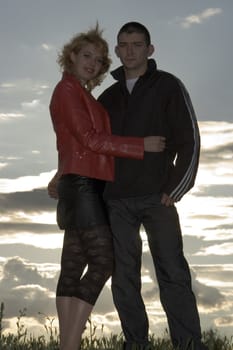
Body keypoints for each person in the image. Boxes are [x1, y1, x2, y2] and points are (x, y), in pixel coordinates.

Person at [47, 25, 165, 350]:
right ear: (71, 55)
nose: (93, 64)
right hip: (84, 187)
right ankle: (70, 344)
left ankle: (66, 346)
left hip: (83, 183)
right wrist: (140, 146)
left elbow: (69, 141)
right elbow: (89, 139)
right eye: (87, 56)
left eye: (99, 60)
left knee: (73, 264)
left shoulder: (80, 92)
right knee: (103, 261)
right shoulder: (68, 90)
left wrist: (60, 173)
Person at [98, 22, 208, 350]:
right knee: (124, 278)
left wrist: (175, 190)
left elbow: (190, 139)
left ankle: (188, 344)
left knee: (173, 272)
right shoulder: (108, 97)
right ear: (116, 51)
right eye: (124, 45)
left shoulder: (168, 86)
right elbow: (98, 146)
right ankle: (136, 344)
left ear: (150, 49)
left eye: (137, 44)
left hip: (158, 197)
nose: (130, 51)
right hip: (116, 200)